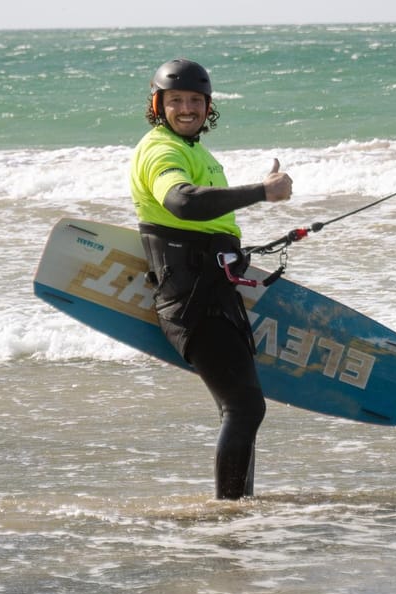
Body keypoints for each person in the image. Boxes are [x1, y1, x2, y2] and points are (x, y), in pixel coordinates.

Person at [129, 58, 293, 500]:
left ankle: (239, 506)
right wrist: (261, 192)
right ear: (157, 104)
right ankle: (230, 513)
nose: (187, 109)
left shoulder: (197, 151)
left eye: (195, 101)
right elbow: (182, 203)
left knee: (240, 408)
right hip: (191, 297)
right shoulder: (160, 150)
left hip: (214, 291)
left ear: (208, 106)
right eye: (176, 100)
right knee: (245, 407)